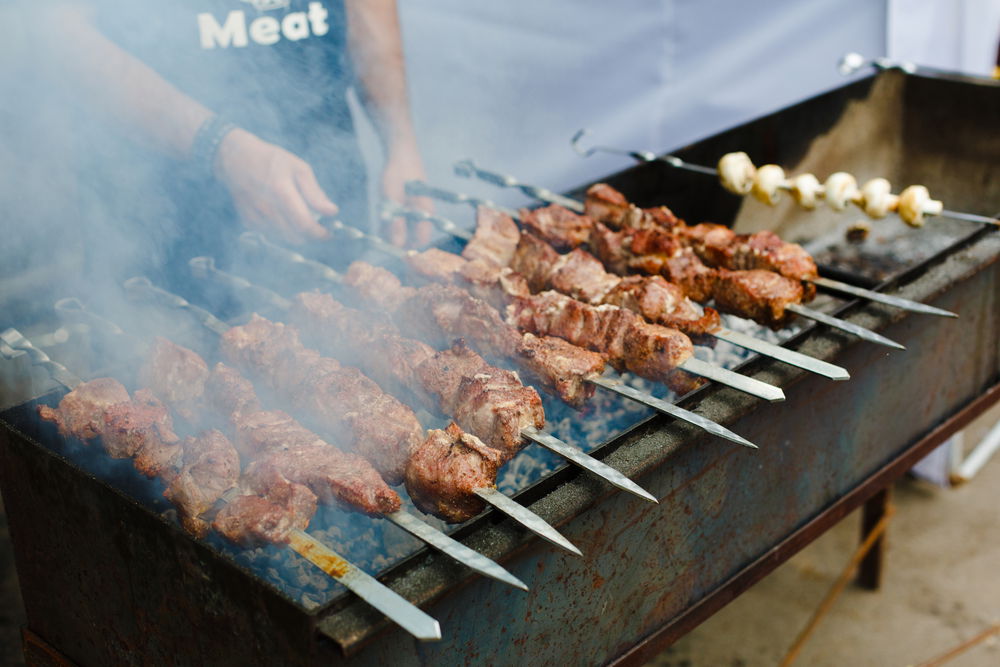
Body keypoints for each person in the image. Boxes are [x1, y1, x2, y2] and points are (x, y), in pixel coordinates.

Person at [22, 0, 432, 291]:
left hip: (323, 192)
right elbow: (58, 36)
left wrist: (401, 143)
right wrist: (218, 146)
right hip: (161, 209)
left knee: (352, 354)